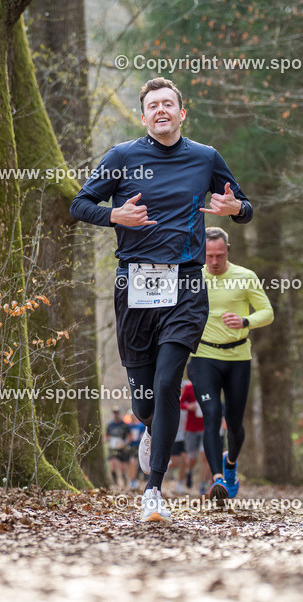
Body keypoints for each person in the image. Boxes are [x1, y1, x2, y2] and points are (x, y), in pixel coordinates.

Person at [70, 77, 253, 523]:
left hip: (186, 285)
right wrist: (113, 214)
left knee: (170, 380)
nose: (161, 110)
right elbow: (79, 204)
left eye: (168, 103)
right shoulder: (122, 157)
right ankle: (151, 426)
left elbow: (244, 205)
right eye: (153, 105)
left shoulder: (205, 158)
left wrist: (236, 210)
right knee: (146, 401)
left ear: (182, 111)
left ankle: (152, 491)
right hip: (134, 286)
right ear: (144, 114)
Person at [187, 227, 273, 505]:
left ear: (228, 251)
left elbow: (267, 312)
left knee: (234, 424)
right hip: (203, 357)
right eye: (209, 255)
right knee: (211, 413)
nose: (213, 261)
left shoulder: (245, 277)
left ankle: (231, 463)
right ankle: (217, 480)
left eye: (219, 255)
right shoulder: (192, 275)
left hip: (237, 358)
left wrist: (246, 321)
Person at [179, 379, 205, 494]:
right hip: (191, 429)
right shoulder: (189, 388)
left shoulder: (209, 385)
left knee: (205, 457)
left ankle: (202, 486)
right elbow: (180, 403)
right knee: (192, 458)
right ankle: (189, 472)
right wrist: (189, 406)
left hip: (206, 428)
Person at [104, 408, 131, 488]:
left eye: (117, 413)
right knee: (113, 465)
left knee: (123, 468)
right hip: (113, 448)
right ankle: (115, 482)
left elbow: (129, 436)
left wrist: (125, 443)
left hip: (122, 448)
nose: (116, 415)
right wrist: (106, 440)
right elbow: (106, 436)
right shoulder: (110, 425)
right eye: (115, 413)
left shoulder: (124, 425)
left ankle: (124, 481)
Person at [126, 414, 146, 490]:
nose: (133, 418)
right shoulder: (128, 426)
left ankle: (135, 480)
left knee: (136, 463)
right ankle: (132, 480)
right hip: (130, 447)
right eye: (131, 416)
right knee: (131, 463)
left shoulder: (141, 426)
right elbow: (126, 435)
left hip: (139, 447)